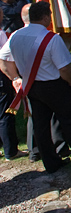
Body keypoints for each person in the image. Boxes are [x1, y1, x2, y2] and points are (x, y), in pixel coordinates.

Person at [0, 1, 71, 173]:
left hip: (32, 85)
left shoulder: (15, 36)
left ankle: (50, 162)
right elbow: (64, 68)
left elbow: (3, 59)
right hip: (53, 84)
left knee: (40, 125)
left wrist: (15, 77)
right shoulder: (51, 38)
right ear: (44, 17)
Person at [0, 9, 24, 161]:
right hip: (1, 78)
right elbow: (4, 56)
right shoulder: (1, 34)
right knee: (5, 115)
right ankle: (10, 150)